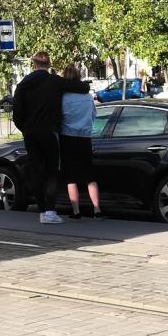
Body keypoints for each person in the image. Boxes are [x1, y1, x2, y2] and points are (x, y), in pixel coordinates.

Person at [13, 52, 90, 224]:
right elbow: (83, 88)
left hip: (30, 134)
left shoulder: (22, 85)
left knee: (37, 171)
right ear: (48, 65)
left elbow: (17, 114)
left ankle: (41, 211)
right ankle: (50, 211)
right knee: (52, 172)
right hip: (49, 132)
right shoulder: (54, 81)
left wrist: (25, 129)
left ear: (33, 64)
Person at [60, 64, 102, 219]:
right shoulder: (87, 97)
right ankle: (97, 209)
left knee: (71, 178)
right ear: (78, 77)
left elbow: (59, 117)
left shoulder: (63, 97)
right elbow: (93, 116)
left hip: (68, 138)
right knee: (89, 176)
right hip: (85, 139)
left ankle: (76, 211)